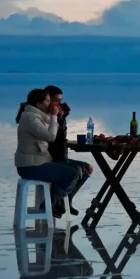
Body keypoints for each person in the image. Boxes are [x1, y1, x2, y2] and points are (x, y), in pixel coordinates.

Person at [14, 88, 79, 217]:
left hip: (38, 162)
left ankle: (54, 203)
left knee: (76, 169)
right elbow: (50, 137)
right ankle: (52, 203)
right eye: (48, 101)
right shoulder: (31, 119)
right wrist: (54, 116)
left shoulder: (38, 116)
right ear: (38, 104)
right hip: (30, 167)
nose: (51, 104)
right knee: (72, 173)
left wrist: (57, 117)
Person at [44, 85, 93, 216]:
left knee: (87, 168)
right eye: (57, 100)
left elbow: (61, 137)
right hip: (51, 157)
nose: (59, 103)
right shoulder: (45, 117)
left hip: (61, 155)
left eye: (60, 100)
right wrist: (57, 117)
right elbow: (52, 138)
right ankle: (54, 202)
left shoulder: (56, 116)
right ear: (48, 100)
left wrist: (62, 117)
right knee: (75, 171)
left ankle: (68, 199)